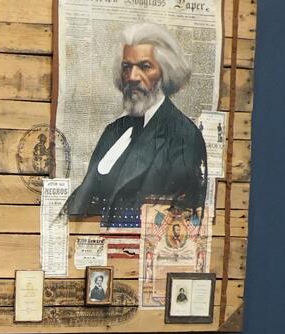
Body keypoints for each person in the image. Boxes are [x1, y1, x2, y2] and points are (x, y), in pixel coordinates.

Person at [65, 23, 207, 223]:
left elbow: (174, 215)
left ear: (165, 72)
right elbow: (85, 194)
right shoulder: (114, 131)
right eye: (127, 67)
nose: (132, 77)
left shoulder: (184, 136)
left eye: (145, 66)